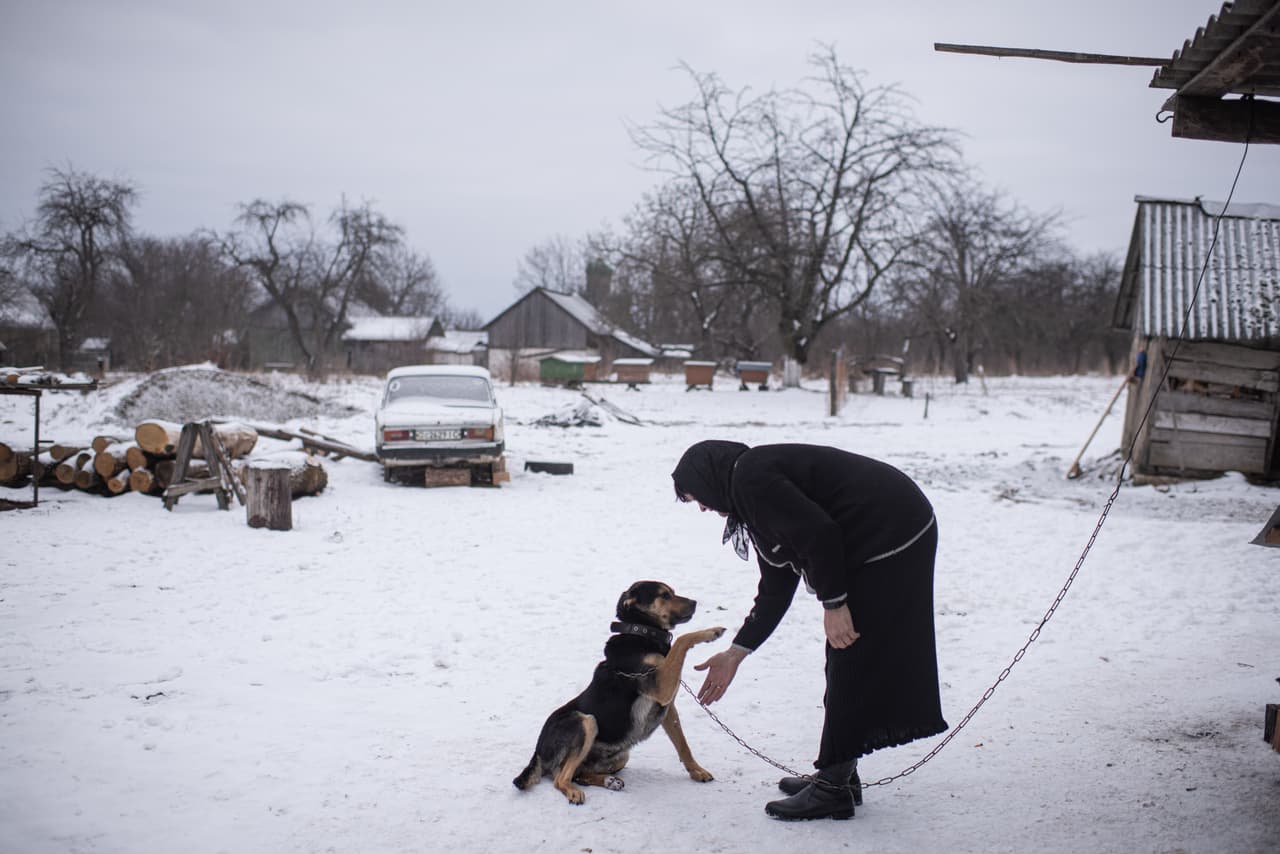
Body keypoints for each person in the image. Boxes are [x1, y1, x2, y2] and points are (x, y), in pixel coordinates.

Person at [672, 440, 947, 821]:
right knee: (848, 655)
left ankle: (833, 788)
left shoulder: (753, 479)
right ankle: (838, 773)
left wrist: (835, 604)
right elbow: (776, 585)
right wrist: (736, 652)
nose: (702, 507)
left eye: (696, 496)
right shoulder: (751, 492)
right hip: (884, 529)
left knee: (849, 651)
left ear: (709, 476)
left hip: (891, 532)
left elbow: (820, 534)